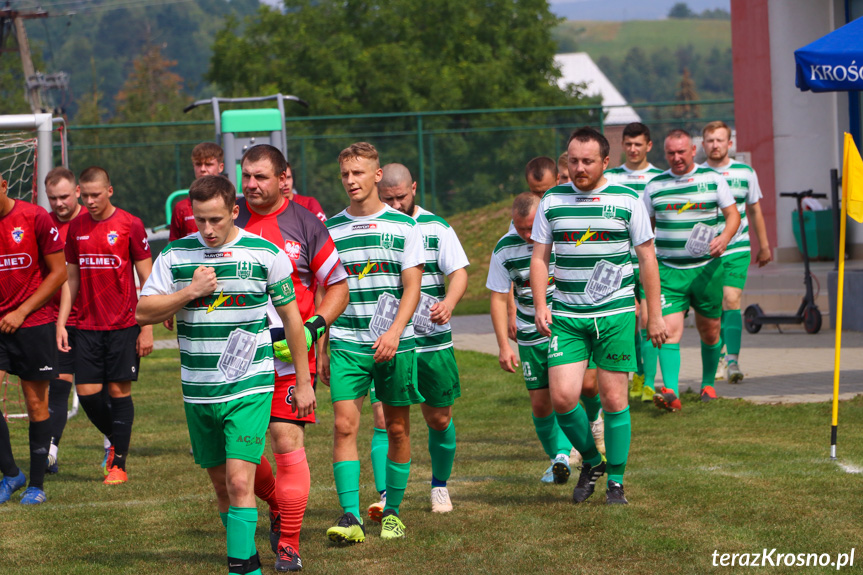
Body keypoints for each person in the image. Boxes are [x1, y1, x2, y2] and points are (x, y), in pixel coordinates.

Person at [136, 175, 313, 575]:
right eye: (199, 221)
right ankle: (257, 531)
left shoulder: (265, 254)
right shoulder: (175, 257)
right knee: (222, 486)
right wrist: (188, 293)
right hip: (198, 390)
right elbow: (143, 312)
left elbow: (291, 319)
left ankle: (244, 568)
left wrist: (303, 382)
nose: (208, 230)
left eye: (215, 219)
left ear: (234, 211)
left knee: (237, 482)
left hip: (250, 384)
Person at [530, 127, 667, 505]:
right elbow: (540, 258)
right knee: (562, 398)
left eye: (587, 161)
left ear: (605, 162)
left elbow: (647, 259)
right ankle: (592, 461)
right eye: (573, 160)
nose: (578, 168)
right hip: (568, 315)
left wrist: (653, 314)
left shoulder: (627, 199)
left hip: (616, 314)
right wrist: (541, 304)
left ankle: (617, 482)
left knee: (613, 399)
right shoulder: (553, 200)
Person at [237, 144, 349, 572]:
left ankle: (288, 543)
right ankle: (277, 502)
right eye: (246, 176)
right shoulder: (229, 220)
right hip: (238, 362)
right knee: (242, 452)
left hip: (289, 361)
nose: (251, 185)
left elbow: (338, 286)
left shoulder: (305, 223)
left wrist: (313, 328)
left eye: (261, 177)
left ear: (283, 177)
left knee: (286, 442)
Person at [324, 142, 424, 543]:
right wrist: (321, 349)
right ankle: (350, 516)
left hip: (396, 342)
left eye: (359, 173)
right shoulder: (329, 229)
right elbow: (325, 291)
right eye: (346, 174)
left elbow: (413, 286)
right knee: (343, 425)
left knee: (397, 429)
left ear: (377, 175)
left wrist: (396, 331)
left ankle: (394, 511)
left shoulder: (405, 226)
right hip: (347, 341)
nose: (351, 180)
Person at [377, 163, 469, 515]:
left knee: (439, 419)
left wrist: (449, 302)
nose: (396, 204)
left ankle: (440, 486)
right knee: (384, 421)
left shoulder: (436, 227)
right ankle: (386, 494)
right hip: (388, 343)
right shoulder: (377, 226)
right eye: (389, 198)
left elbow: (458, 272)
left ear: (413, 188)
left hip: (432, 341)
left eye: (401, 197)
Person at [58, 166, 154, 485]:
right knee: (86, 395)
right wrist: (61, 323)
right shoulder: (76, 229)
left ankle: (119, 465)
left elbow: (147, 280)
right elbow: (71, 279)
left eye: (95, 194)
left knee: (118, 390)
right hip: (86, 326)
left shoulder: (130, 224)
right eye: (84, 195)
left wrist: (147, 327)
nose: (89, 201)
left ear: (109, 191)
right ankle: (117, 437)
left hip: (124, 325)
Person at [643, 129, 740, 411]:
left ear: (693, 150)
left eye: (681, 152)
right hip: (669, 272)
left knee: (710, 331)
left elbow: (732, 215)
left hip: (706, 271)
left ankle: (708, 383)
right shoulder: (655, 186)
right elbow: (645, 229)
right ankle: (671, 392)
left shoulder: (712, 180)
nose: (676, 158)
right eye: (670, 153)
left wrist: (724, 238)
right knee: (669, 330)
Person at [487, 192, 574, 484]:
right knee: (540, 404)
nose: (527, 234)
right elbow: (498, 299)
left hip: (566, 328)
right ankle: (558, 459)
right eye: (520, 227)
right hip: (528, 334)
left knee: (565, 394)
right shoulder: (504, 249)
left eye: (531, 227)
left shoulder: (562, 239)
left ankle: (569, 452)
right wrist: (502, 345)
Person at [0, 171, 67, 505]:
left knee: (35, 403)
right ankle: (11, 473)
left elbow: (59, 272)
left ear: (3, 185)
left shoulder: (34, 217)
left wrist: (21, 312)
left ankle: (36, 485)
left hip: (32, 324)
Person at [702, 121, 772, 383]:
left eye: (720, 140)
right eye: (710, 140)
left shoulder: (745, 173)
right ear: (703, 144)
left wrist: (764, 246)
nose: (715, 145)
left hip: (737, 248)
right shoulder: (697, 174)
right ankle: (717, 356)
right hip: (706, 253)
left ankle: (732, 360)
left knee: (731, 299)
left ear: (730, 144)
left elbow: (754, 210)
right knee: (711, 309)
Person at [604, 122, 664, 403]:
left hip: (647, 260)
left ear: (648, 146)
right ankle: (636, 374)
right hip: (618, 262)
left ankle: (648, 381)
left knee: (648, 316)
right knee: (635, 317)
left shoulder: (659, 178)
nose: (632, 149)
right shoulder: (611, 177)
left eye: (638, 144)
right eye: (628, 144)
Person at [44, 167, 91, 474]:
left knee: (98, 392)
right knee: (59, 386)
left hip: (92, 321)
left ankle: (112, 448)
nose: (59, 204)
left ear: (76, 192)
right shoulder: (42, 224)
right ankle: (50, 451)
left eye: (64, 196)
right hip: (55, 320)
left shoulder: (93, 220)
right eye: (52, 199)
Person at [169, 142, 225, 242]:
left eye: (208, 164)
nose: (203, 169)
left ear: (220, 167)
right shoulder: (181, 208)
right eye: (198, 164)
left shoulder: (232, 202)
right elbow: (174, 247)